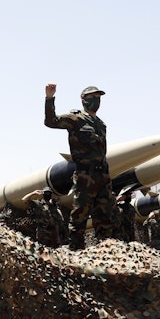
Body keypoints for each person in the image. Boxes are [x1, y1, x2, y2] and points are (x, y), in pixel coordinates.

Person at [44, 83, 112, 250]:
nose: (97, 100)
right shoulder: (75, 119)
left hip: (102, 176)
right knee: (79, 218)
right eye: (93, 98)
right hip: (84, 176)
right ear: (84, 100)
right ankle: (76, 252)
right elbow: (51, 121)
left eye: (99, 98)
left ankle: (106, 252)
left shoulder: (101, 124)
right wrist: (49, 98)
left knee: (105, 219)